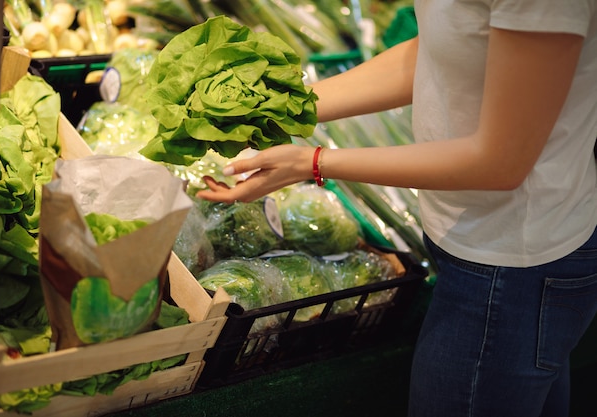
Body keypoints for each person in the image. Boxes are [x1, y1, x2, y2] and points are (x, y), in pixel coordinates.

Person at [196, 1, 597, 416]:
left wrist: (312, 163)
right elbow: (443, 49)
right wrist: (286, 108)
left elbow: (501, 162)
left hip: (512, 263)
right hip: (473, 238)